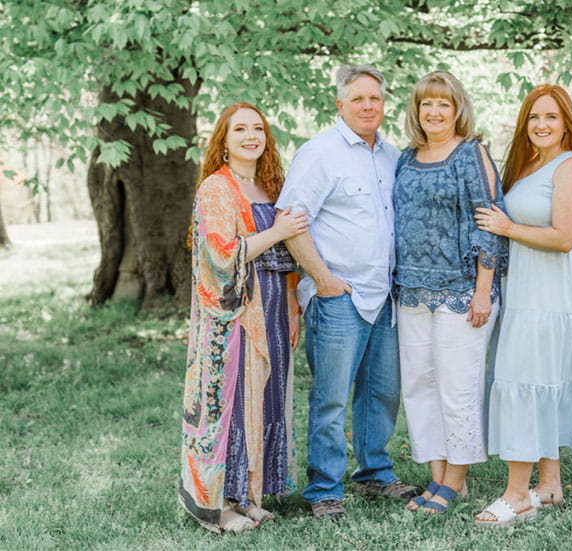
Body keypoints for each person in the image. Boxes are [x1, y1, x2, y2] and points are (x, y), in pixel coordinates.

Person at [472, 84, 572, 528]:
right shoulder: (529, 165)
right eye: (533, 118)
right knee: (540, 378)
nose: (541, 125)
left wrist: (507, 226)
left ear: (567, 123)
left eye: (551, 117)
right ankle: (549, 484)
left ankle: (517, 495)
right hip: (527, 286)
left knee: (528, 377)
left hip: (554, 291)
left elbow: (565, 238)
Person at [276, 65, 421, 520]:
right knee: (331, 397)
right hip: (339, 297)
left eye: (374, 99)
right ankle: (323, 489)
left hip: (385, 297)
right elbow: (290, 221)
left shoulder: (391, 156)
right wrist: (322, 280)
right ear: (340, 105)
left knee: (381, 393)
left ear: (384, 104)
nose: (367, 106)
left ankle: (374, 473)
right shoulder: (320, 153)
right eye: (357, 99)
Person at [179, 103, 308, 533]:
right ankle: (221, 503)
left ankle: (250, 493)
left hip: (272, 307)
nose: (251, 135)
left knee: (266, 398)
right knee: (233, 404)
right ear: (224, 139)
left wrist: (292, 305)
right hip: (232, 315)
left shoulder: (272, 186)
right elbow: (220, 255)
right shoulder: (217, 189)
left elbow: (289, 257)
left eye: (258, 128)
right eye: (240, 129)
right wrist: (277, 232)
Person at [393, 70, 508, 515]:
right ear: (416, 111)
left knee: (457, 388)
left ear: (457, 109)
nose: (434, 112)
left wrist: (484, 289)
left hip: (462, 292)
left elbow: (488, 220)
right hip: (412, 293)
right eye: (426, 104)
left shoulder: (470, 153)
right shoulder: (405, 158)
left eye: (443, 103)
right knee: (420, 386)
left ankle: (457, 479)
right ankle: (438, 478)